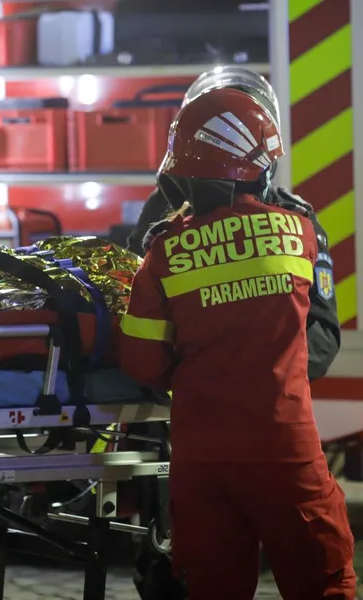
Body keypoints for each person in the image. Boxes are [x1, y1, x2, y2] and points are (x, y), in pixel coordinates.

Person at [119, 87, 357, 599]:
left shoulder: (164, 249)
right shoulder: (299, 233)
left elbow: (141, 358)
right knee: (322, 580)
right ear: (260, 164)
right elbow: (317, 332)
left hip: (201, 453)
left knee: (211, 586)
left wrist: (194, 377)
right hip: (284, 446)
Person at [127, 66, 340, 382]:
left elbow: (322, 336)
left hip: (261, 398)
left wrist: (251, 372)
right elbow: (132, 298)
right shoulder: (167, 205)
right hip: (175, 406)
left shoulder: (298, 220)